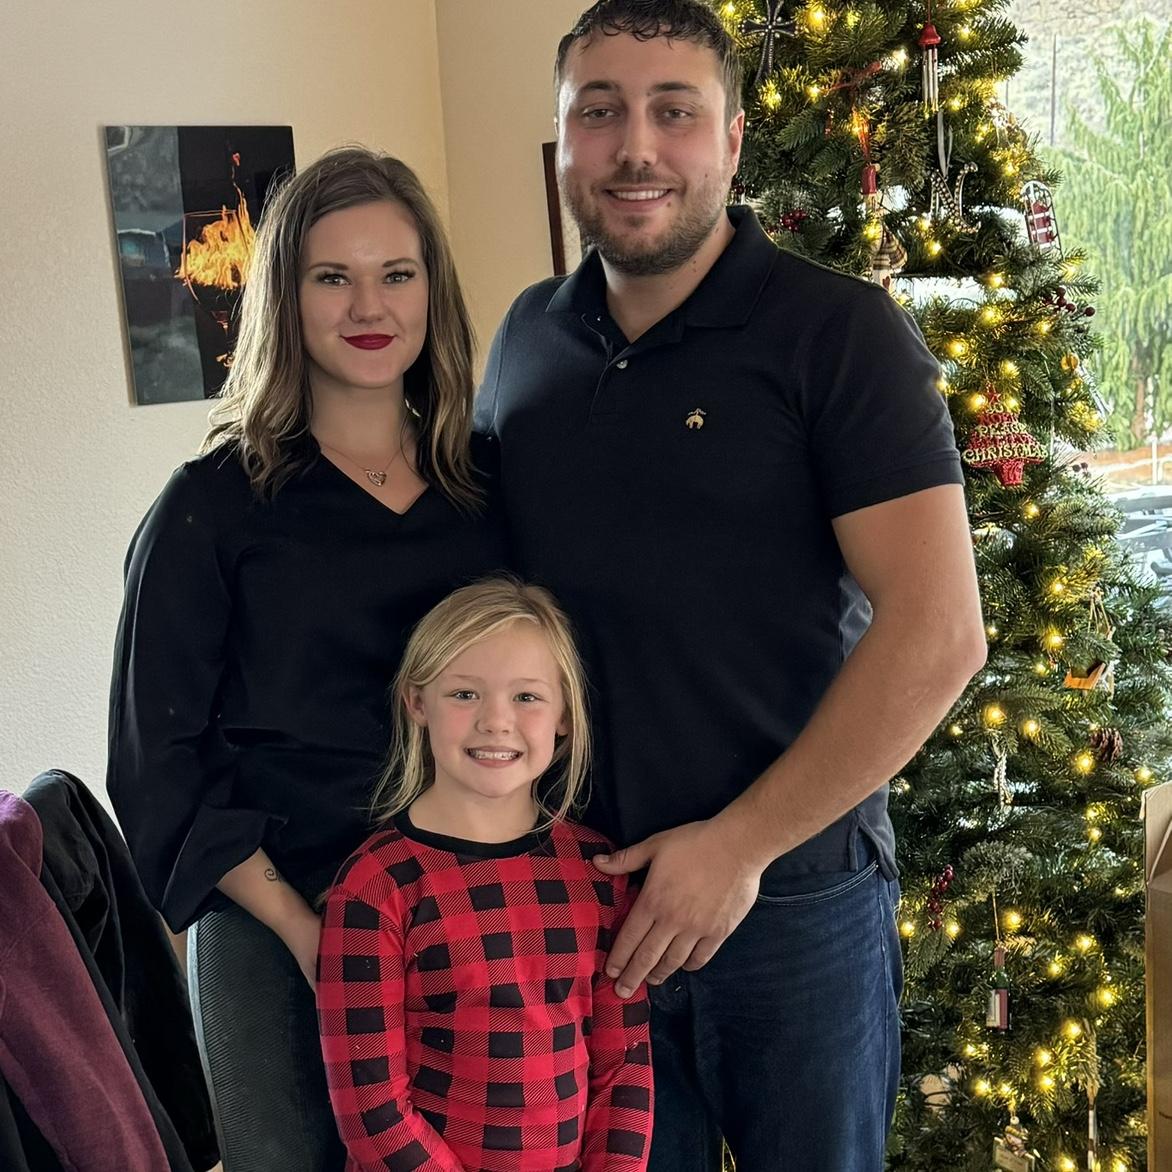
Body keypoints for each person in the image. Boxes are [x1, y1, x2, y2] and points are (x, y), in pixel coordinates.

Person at [474, 1, 988, 1169]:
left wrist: (736, 847)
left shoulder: (838, 333)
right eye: (597, 113)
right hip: (582, 901)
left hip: (790, 898)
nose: (634, 148)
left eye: (673, 112)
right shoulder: (522, 339)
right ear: (561, 137)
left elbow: (939, 630)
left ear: (733, 139)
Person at [107, 147, 508, 1171]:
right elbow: (157, 766)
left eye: (396, 274)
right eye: (333, 277)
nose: (368, 305)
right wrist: (305, 929)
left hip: (475, 920)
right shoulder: (211, 510)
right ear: (285, 300)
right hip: (283, 933)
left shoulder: (490, 492)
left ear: (432, 291)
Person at [316, 577, 653, 1172]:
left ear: (565, 715)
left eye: (526, 697)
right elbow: (372, 1113)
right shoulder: (375, 887)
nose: (496, 721)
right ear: (417, 703)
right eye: (465, 694)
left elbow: (624, 1070)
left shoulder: (598, 873)